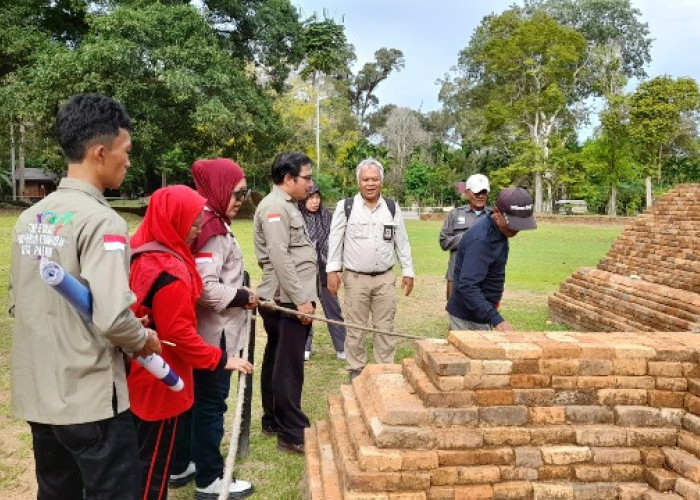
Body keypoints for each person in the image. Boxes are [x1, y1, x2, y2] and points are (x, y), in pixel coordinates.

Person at [8, 93, 161, 499]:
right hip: (91, 401)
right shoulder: (103, 221)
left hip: (41, 395)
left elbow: (19, 302)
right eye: (125, 151)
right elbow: (112, 319)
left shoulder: (30, 218)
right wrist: (143, 338)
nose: (128, 161)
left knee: (56, 492)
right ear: (99, 152)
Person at [128, 185, 253, 500]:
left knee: (144, 460)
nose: (198, 230)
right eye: (193, 223)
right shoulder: (169, 273)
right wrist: (221, 358)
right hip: (159, 381)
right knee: (151, 471)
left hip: (136, 374)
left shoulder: (141, 251)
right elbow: (179, 335)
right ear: (173, 220)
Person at [168, 159, 257, 497]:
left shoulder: (209, 220)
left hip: (204, 332)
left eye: (244, 192)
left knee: (193, 401)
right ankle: (209, 478)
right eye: (237, 192)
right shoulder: (210, 229)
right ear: (219, 189)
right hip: (212, 334)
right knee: (210, 405)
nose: (241, 199)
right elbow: (204, 288)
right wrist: (243, 295)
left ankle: (183, 463)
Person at [326, 158, 415, 381]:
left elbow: (401, 242)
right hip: (355, 278)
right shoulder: (345, 207)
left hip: (385, 278)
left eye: (374, 179)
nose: (370, 183)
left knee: (385, 327)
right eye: (365, 179)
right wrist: (332, 271)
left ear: (381, 182)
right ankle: (356, 372)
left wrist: (408, 271)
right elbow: (335, 240)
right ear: (358, 181)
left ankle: (386, 371)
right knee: (356, 328)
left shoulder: (392, 208)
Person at [254, 152, 317, 455]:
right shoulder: (275, 208)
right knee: (289, 365)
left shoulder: (284, 205)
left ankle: (273, 419)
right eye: (306, 177)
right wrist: (301, 301)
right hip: (286, 299)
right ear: (289, 179)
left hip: (286, 296)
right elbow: (281, 258)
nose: (310, 183)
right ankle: (292, 431)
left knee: (278, 360)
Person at [446, 187, 537, 331]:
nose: (516, 230)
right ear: (496, 212)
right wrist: (496, 319)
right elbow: (467, 286)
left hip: (481, 312)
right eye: (512, 224)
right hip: (468, 318)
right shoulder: (481, 239)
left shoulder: (500, 231)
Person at [298, 183, 347, 360]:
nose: (315, 201)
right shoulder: (297, 216)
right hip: (304, 269)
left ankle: (342, 347)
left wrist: (336, 267)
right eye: (311, 197)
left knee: (333, 308)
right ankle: (304, 347)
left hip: (326, 267)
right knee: (306, 307)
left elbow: (337, 243)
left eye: (317, 197)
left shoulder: (327, 216)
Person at [439, 174, 492, 300]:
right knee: (455, 316)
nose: (481, 196)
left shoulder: (494, 216)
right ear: (467, 193)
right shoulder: (455, 214)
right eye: (477, 192)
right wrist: (465, 238)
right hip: (457, 275)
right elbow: (444, 242)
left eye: (484, 192)